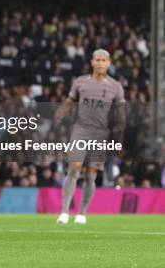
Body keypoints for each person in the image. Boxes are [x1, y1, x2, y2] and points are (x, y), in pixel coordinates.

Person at [54, 49, 126, 224]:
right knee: (74, 168)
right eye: (97, 60)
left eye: (104, 60)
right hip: (81, 129)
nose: (100, 63)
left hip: (101, 134)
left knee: (91, 175)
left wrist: (120, 139)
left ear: (109, 63)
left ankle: (82, 213)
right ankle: (64, 212)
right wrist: (60, 113)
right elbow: (70, 101)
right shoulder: (80, 82)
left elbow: (122, 114)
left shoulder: (115, 87)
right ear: (92, 62)